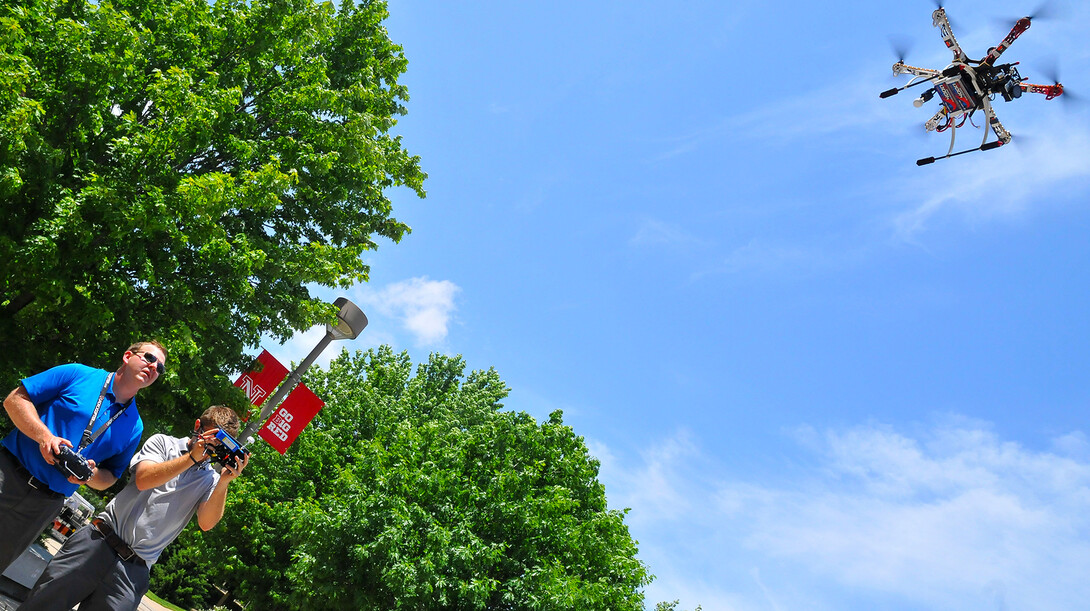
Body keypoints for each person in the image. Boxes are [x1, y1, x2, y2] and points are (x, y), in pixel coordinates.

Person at [19, 406, 250, 611]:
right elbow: (143, 479)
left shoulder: (210, 479)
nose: (212, 447)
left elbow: (206, 523)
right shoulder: (163, 443)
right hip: (98, 541)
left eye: (219, 444)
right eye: (211, 437)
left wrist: (224, 482)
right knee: (40, 605)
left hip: (133, 570)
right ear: (198, 426)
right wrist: (190, 457)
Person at [0, 340, 166, 573]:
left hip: (43, 505)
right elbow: (15, 400)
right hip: (6, 472)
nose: (153, 367)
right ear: (128, 356)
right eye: (149, 358)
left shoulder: (135, 426)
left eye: (160, 368)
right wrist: (45, 437)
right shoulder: (78, 373)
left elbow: (111, 476)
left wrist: (90, 475)